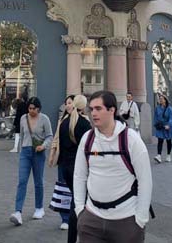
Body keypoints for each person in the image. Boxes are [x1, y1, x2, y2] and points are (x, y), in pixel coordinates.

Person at [74, 90, 152, 243]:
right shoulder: (87, 139)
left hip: (126, 221)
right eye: (91, 109)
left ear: (112, 110)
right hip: (91, 220)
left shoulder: (131, 140)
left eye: (98, 108)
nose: (93, 113)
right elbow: (79, 175)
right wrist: (79, 210)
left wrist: (140, 219)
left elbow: (145, 181)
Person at [10, 96, 53, 226]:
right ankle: (18, 212)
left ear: (39, 108)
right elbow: (22, 136)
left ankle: (39, 208)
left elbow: (50, 136)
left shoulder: (44, 119)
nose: (31, 110)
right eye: (29, 108)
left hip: (38, 152)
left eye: (33, 108)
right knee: (22, 181)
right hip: (26, 152)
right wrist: (21, 149)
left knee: (38, 181)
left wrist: (44, 146)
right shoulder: (23, 118)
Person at [56, 94, 91, 243]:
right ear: (84, 106)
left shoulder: (64, 123)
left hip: (65, 167)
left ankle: (73, 238)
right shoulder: (85, 124)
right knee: (78, 203)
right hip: (79, 168)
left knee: (76, 201)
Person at [50, 95, 75, 231]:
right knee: (63, 188)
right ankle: (64, 218)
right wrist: (52, 155)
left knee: (75, 189)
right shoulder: (62, 120)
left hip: (76, 161)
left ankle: (75, 215)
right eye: (66, 103)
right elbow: (56, 138)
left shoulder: (83, 120)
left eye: (70, 103)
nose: (68, 105)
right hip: (63, 160)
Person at [153, 94, 172, 162]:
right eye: (159, 99)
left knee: (169, 141)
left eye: (162, 99)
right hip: (161, 126)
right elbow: (155, 117)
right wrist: (156, 124)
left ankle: (168, 155)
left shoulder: (169, 108)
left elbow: (171, 117)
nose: (160, 100)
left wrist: (168, 125)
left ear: (165, 100)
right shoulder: (157, 108)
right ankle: (159, 155)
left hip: (168, 126)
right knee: (160, 140)